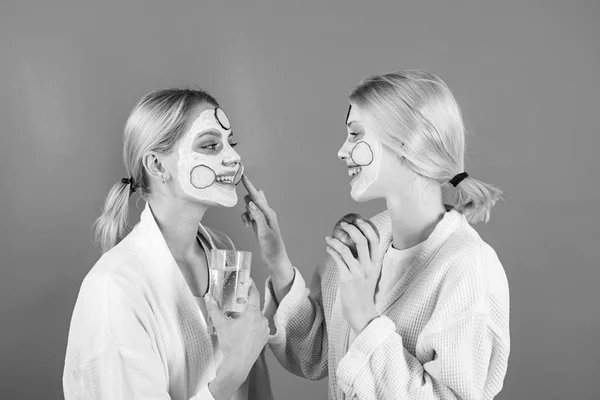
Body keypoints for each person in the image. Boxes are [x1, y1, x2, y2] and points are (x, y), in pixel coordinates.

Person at [242, 70, 510, 399]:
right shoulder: (365, 241)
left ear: (405, 143)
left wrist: (366, 319)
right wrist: (277, 260)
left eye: (355, 134)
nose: (342, 151)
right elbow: (316, 355)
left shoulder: (467, 266)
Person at [63, 88, 273, 400]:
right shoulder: (113, 288)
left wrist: (277, 261)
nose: (234, 157)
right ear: (158, 166)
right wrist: (234, 370)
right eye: (211, 145)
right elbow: (236, 367)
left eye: (231, 143)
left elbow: (248, 383)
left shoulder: (224, 254)